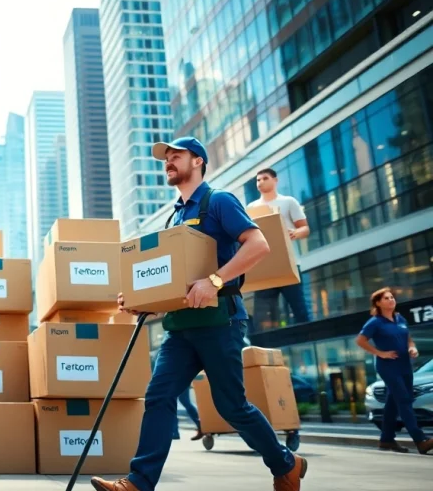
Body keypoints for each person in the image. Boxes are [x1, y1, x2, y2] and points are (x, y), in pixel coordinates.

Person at [91, 137, 306, 491]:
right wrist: (144, 300)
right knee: (159, 397)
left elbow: (259, 245)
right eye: (166, 158)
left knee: (231, 406)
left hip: (220, 321)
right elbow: (174, 279)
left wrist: (217, 279)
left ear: (199, 161)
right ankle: (138, 483)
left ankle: (285, 463)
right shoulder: (175, 215)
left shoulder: (218, 201)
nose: (169, 162)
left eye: (177, 156)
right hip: (181, 327)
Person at [355, 287, 433, 454]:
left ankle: (386, 440)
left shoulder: (399, 318)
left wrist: (413, 348)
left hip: (405, 365)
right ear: (378, 303)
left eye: (392, 297)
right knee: (404, 400)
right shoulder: (375, 322)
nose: (391, 300)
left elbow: (408, 339)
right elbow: (360, 341)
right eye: (386, 298)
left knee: (392, 403)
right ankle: (421, 440)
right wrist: (379, 353)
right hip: (388, 366)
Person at [247, 168, 312, 326]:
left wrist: (294, 233)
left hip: (288, 263)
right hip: (263, 266)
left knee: (299, 309)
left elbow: (305, 228)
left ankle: (308, 342)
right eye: (258, 180)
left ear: (275, 180)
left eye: (265, 178)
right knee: (262, 316)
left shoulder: (288, 202)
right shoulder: (251, 207)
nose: (260, 182)